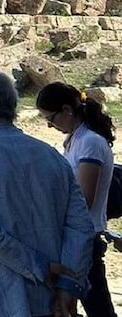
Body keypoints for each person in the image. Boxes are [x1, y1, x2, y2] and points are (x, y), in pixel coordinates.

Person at [0, 70, 94, 317]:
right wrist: (68, 286)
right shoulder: (51, 157)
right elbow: (81, 227)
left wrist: (39, 267)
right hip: (46, 298)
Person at [37, 82, 117, 316]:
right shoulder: (74, 140)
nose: (50, 126)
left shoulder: (90, 142)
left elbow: (84, 198)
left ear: (67, 110)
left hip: (85, 235)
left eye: (51, 119)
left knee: (97, 306)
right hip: (74, 234)